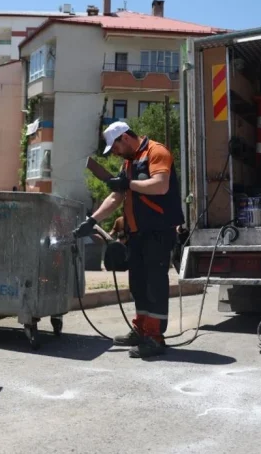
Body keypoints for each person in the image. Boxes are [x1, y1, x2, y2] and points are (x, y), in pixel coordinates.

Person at [74, 121, 185, 358]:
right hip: (137, 234)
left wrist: (128, 183)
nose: (114, 153)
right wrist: (92, 221)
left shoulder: (157, 152)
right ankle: (142, 330)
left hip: (158, 231)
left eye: (114, 147)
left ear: (124, 138)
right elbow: (116, 197)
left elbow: (160, 186)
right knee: (139, 284)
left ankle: (155, 338)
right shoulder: (129, 163)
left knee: (155, 284)